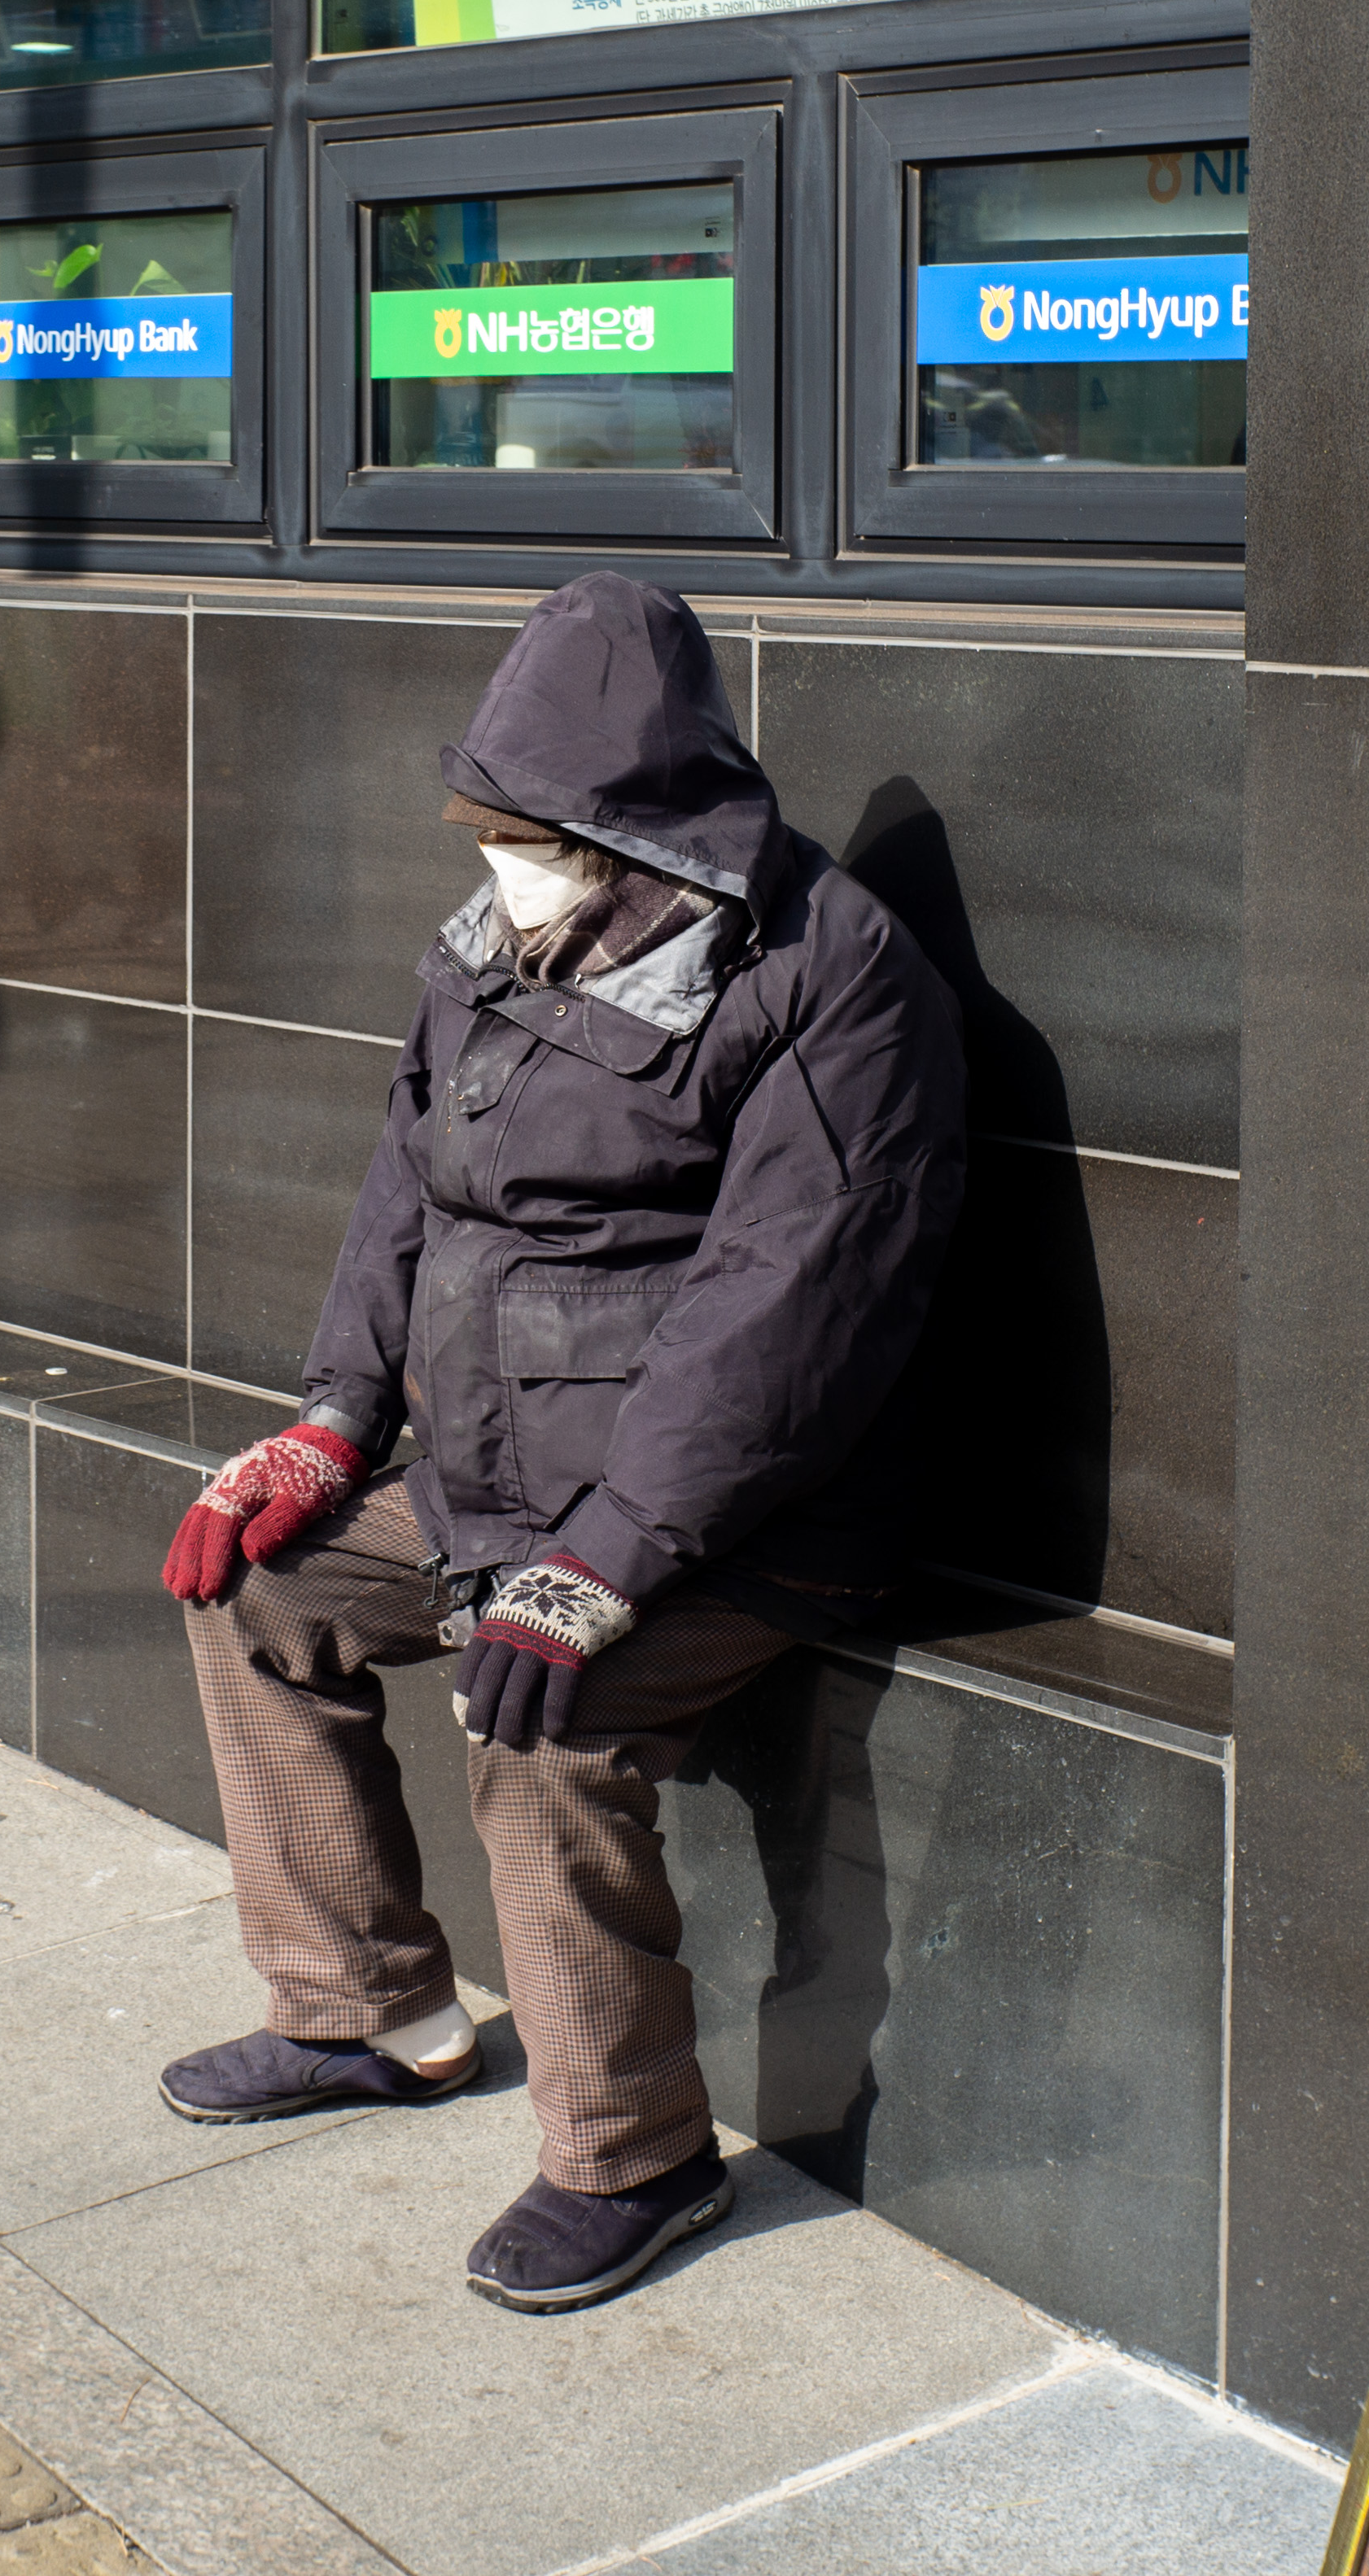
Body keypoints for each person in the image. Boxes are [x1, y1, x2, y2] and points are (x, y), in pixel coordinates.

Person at [153, 570, 967, 2312]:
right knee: (256, 1587)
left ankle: (636, 2154)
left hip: (743, 1511)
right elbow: (407, 1188)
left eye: (523, 835)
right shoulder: (498, 941)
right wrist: (332, 1419)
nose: (496, 861)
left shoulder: (828, 975)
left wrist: (606, 1554)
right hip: (492, 1467)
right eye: (483, 828)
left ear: (626, 827)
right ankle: (367, 2009)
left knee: (540, 1709)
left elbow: (790, 1309)